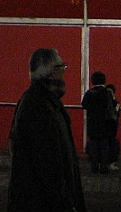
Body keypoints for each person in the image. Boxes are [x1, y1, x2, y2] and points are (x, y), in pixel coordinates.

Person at [7, 47, 85, 212]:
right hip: (41, 201)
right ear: (53, 72)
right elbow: (47, 164)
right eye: (62, 68)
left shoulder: (41, 101)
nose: (64, 73)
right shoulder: (40, 106)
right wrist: (64, 201)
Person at [81, 71, 114, 174]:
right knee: (104, 147)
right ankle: (104, 167)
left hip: (92, 124)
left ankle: (94, 167)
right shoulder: (106, 93)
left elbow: (84, 104)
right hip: (104, 124)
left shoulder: (90, 93)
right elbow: (110, 107)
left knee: (94, 147)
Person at [105, 83, 121, 170]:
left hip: (112, 126)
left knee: (112, 144)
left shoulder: (116, 103)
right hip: (105, 126)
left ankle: (111, 162)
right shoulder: (103, 103)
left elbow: (116, 114)